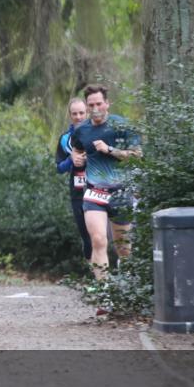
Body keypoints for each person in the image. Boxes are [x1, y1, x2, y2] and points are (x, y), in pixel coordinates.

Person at [70, 84, 141, 281]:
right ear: (87, 105)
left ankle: (127, 288)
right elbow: (76, 148)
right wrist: (76, 158)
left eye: (99, 104)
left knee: (123, 248)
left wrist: (110, 150)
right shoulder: (81, 130)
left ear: (107, 104)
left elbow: (137, 156)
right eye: (91, 104)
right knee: (98, 240)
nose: (95, 109)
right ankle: (105, 293)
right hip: (95, 192)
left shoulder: (122, 126)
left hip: (120, 192)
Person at [55, 97, 92, 262]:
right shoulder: (65, 139)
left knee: (100, 235)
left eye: (81, 113)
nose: (78, 117)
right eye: (75, 114)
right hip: (77, 191)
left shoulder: (98, 132)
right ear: (70, 115)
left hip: (99, 187)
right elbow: (59, 168)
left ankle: (108, 279)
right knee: (86, 236)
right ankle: (96, 279)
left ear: (87, 113)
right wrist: (71, 159)